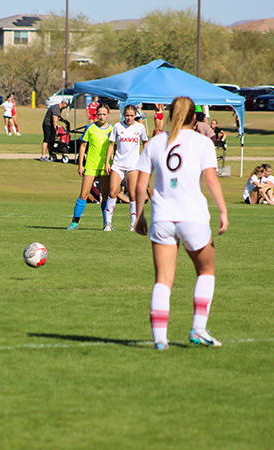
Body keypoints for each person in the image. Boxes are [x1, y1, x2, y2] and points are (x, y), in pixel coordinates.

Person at [134, 96, 229, 351]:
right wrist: (223, 211)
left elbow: (141, 184)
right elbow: (211, 179)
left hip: (162, 218)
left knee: (163, 279)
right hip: (193, 218)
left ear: (168, 115)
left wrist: (138, 215)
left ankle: (160, 340)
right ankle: (198, 328)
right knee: (206, 271)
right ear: (195, 117)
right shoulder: (201, 142)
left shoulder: (155, 142)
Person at [67, 104, 113, 230]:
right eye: (99, 114)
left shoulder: (112, 129)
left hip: (105, 166)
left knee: (105, 195)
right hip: (91, 164)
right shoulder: (90, 128)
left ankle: (106, 224)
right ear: (96, 114)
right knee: (84, 194)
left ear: (108, 114)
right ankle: (75, 223)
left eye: (104, 114)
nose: (101, 117)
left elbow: (114, 147)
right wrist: (80, 165)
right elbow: (83, 147)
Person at [103, 104, 148, 232]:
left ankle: (133, 225)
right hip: (117, 164)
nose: (129, 118)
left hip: (133, 165)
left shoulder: (140, 127)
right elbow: (111, 144)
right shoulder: (117, 126)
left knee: (133, 194)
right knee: (112, 193)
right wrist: (108, 162)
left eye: (131, 116)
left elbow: (145, 142)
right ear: (123, 115)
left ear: (135, 115)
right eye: (127, 115)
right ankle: (108, 224)